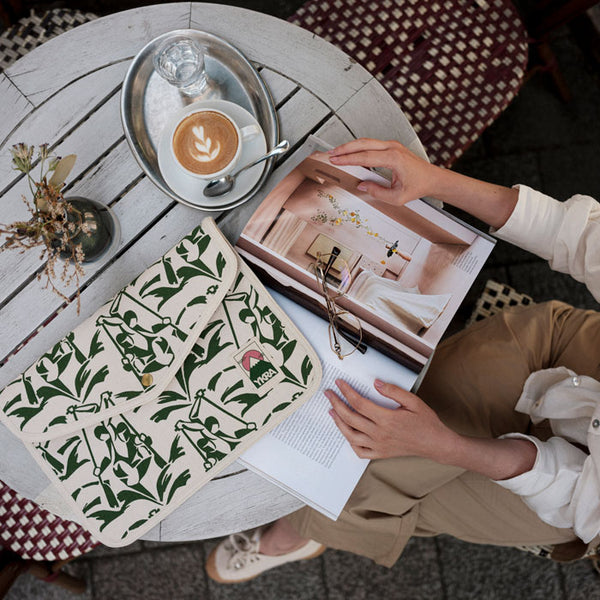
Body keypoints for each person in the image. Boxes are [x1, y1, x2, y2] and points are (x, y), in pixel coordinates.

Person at [205, 138, 600, 583]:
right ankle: (313, 506)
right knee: (383, 416)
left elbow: (572, 486)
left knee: (375, 482)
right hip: (570, 352)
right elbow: (582, 236)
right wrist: (434, 181)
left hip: (580, 498)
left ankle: (299, 528)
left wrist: (444, 446)